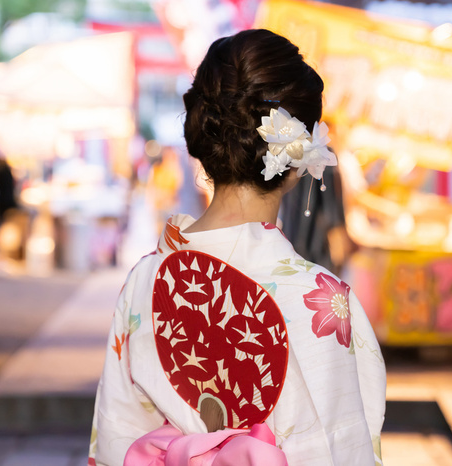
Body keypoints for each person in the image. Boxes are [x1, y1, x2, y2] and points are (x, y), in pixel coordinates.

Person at [89, 29, 386, 466]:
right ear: (296, 162)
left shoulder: (145, 281)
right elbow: (345, 447)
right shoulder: (321, 299)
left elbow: (117, 434)